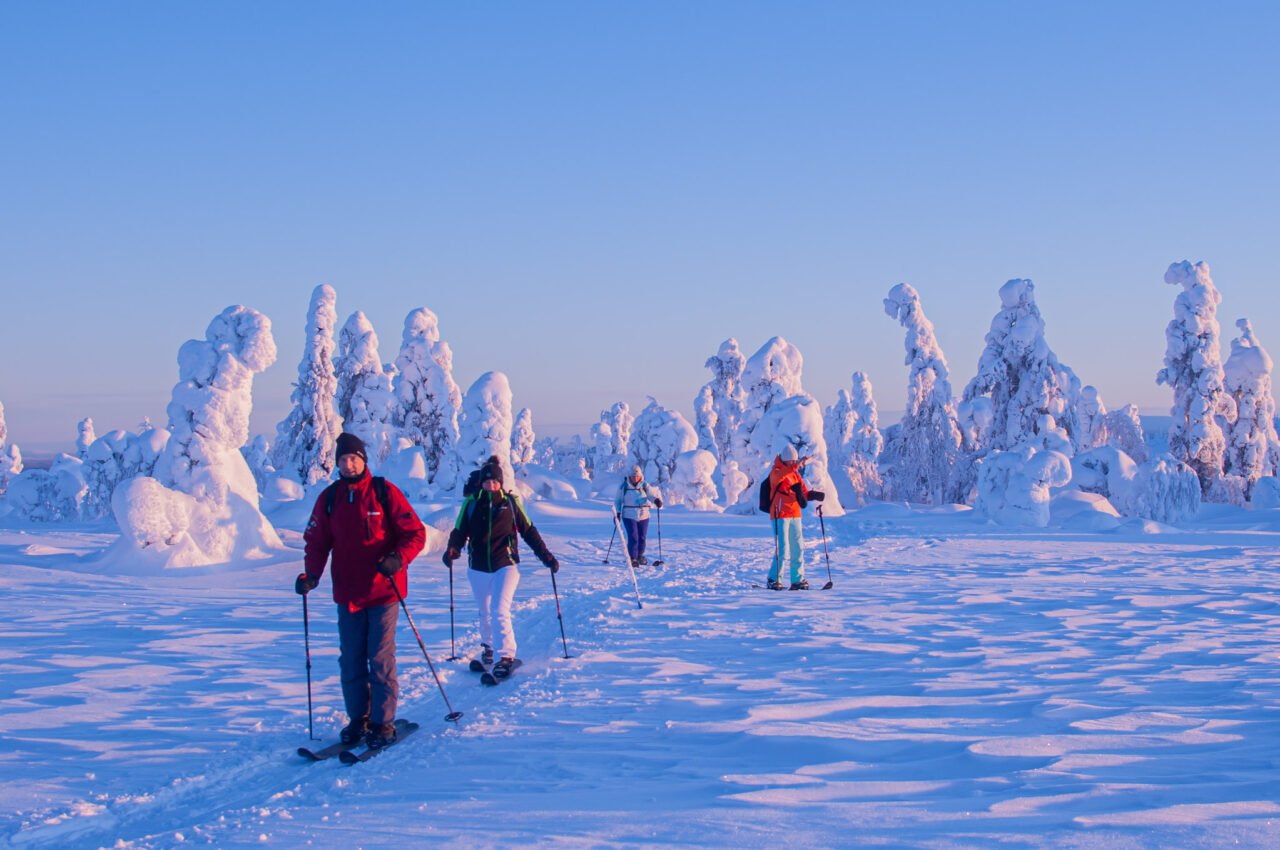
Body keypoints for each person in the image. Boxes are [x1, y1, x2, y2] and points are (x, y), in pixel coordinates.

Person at [295, 433, 426, 749]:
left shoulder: (384, 492)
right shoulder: (330, 499)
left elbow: (415, 533)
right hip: (348, 594)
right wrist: (311, 575)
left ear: (364, 461)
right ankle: (359, 719)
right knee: (351, 659)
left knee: (379, 657)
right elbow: (316, 542)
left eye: (354, 458)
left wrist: (397, 559)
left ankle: (383, 723)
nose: (348, 464)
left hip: (384, 591)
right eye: (343, 459)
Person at [443, 456, 559, 679]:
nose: (491, 485)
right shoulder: (471, 503)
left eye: (495, 482)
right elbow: (459, 531)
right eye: (487, 482)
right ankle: (489, 647)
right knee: (485, 611)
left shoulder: (511, 503)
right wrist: (452, 550)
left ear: (501, 482)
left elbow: (529, 532)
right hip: (477, 567)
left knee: (498, 609)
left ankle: (505, 656)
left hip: (506, 565)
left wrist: (546, 557)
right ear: (482, 483)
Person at [764, 444, 823, 591]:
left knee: (798, 548)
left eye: (794, 461)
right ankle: (773, 579)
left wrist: (812, 495)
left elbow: (801, 492)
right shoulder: (776, 472)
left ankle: (798, 579)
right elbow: (781, 476)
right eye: (791, 461)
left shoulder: (795, 474)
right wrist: (796, 465)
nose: (793, 463)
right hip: (780, 514)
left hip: (795, 514)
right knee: (783, 548)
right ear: (785, 460)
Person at [614, 465, 662, 566]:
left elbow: (651, 495)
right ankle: (633, 558)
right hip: (629, 515)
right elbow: (618, 500)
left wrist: (656, 500)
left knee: (642, 537)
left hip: (644, 515)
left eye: (637, 476)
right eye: (633, 476)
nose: (635, 478)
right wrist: (617, 513)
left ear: (641, 476)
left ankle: (640, 556)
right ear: (629, 476)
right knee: (633, 537)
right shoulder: (624, 486)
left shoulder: (644, 485)